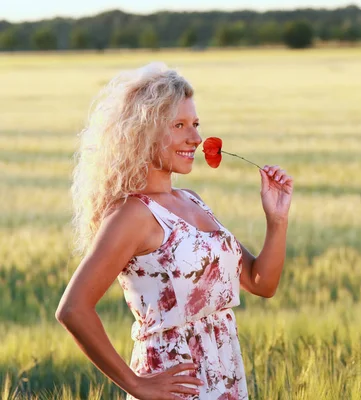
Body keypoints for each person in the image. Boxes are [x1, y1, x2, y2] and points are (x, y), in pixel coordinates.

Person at [55, 62, 293, 400]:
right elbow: (73, 308)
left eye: (195, 124)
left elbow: (261, 283)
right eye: (178, 125)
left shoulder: (193, 202)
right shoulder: (134, 214)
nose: (195, 138)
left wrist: (277, 220)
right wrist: (136, 384)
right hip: (174, 385)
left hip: (225, 379)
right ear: (143, 132)